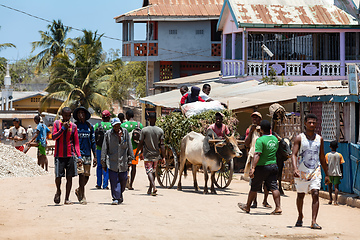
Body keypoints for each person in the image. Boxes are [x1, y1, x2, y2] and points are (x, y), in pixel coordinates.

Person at [291, 113, 329, 229]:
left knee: (316, 193)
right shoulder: (299, 138)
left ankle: (313, 221)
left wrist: (327, 174)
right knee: (301, 195)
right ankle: (300, 216)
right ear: (305, 124)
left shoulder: (319, 139)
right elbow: (294, 154)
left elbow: (322, 157)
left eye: (314, 122)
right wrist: (295, 168)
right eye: (309, 122)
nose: (312, 124)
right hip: (302, 171)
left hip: (315, 170)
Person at [238, 120, 282, 215]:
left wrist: (253, 168)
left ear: (261, 129)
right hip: (273, 166)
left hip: (262, 166)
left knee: (254, 187)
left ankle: (247, 206)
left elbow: (257, 154)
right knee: (274, 187)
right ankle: (278, 207)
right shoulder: (274, 139)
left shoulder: (260, 140)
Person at [52, 107, 81, 205]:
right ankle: (58, 190)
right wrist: (62, 129)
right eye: (65, 116)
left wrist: (79, 156)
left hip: (70, 155)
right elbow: (54, 137)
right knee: (58, 176)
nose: (67, 118)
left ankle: (67, 198)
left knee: (69, 177)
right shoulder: (56, 124)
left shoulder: (73, 126)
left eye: (69, 116)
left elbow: (76, 143)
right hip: (59, 155)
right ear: (62, 115)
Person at [101, 118, 134, 205]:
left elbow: (129, 146)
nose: (117, 127)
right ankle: (115, 197)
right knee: (114, 181)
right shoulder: (108, 134)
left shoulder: (125, 132)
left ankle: (119, 194)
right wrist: (103, 162)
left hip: (123, 161)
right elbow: (104, 148)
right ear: (112, 126)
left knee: (123, 180)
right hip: (112, 161)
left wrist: (131, 158)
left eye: (118, 125)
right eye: (115, 126)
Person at [244, 112, 271, 208]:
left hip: (265, 157)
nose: (254, 119)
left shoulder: (265, 130)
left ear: (260, 119)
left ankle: (265, 201)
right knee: (254, 181)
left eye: (256, 118)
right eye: (253, 118)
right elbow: (246, 144)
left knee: (267, 181)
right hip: (254, 156)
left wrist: (261, 133)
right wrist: (251, 132)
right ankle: (254, 201)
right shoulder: (250, 129)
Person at [135, 112, 165, 196]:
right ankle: (150, 189)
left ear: (148, 119)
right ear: (155, 120)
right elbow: (162, 145)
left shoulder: (144, 130)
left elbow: (141, 143)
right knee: (153, 171)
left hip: (147, 155)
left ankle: (154, 187)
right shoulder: (160, 131)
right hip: (156, 155)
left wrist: (137, 153)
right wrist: (163, 157)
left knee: (149, 171)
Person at [73, 106, 97, 205]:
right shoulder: (74, 126)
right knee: (81, 175)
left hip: (88, 154)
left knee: (86, 176)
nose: (81, 115)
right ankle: (82, 196)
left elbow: (93, 142)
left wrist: (95, 156)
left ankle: (79, 190)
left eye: (83, 113)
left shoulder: (90, 126)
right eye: (79, 113)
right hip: (78, 155)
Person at [121, 109, 144, 190]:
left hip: (125, 148)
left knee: (126, 166)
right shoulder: (139, 125)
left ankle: (125, 181)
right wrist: (142, 150)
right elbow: (142, 139)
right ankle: (131, 185)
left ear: (127, 116)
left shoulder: (123, 125)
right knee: (134, 167)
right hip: (135, 149)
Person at [94, 110, 112, 189]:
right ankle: (105, 184)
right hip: (108, 149)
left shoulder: (97, 125)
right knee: (107, 166)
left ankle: (98, 184)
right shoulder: (111, 125)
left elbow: (94, 137)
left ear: (102, 117)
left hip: (99, 148)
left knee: (99, 166)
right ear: (109, 117)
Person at [326, 140, 344, 206]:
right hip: (337, 172)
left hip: (329, 172)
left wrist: (326, 174)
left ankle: (330, 199)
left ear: (330, 147)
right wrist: (342, 173)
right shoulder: (339, 155)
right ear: (337, 147)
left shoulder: (327, 155)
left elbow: (326, 165)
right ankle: (335, 201)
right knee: (336, 187)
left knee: (330, 186)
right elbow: (341, 165)